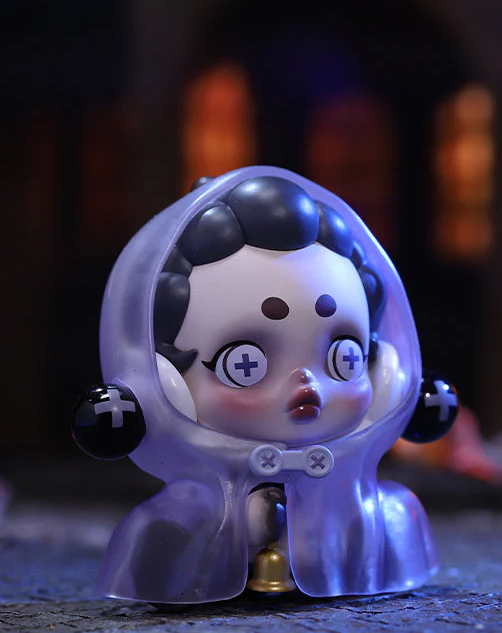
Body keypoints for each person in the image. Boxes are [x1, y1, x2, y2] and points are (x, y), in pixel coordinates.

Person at [72, 167, 457, 606]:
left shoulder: (382, 520)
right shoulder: (169, 527)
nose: (307, 385)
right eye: (246, 364)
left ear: (381, 366)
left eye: (344, 356)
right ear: (167, 379)